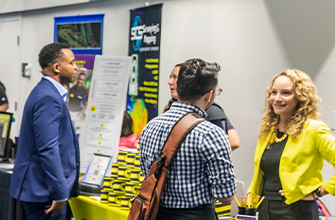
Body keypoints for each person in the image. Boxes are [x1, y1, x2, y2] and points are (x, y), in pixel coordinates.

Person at [138, 58, 235, 219]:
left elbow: (146, 174)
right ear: (209, 94)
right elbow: (225, 195)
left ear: (179, 87)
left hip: (155, 213)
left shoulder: (150, 126)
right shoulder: (211, 133)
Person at [249, 69, 335, 220]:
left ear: (302, 97)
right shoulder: (268, 129)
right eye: (273, 92)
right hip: (264, 208)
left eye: (286, 93)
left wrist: (318, 192)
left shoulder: (314, 129)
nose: (277, 98)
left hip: (297, 211)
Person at [9, 43, 79, 219]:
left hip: (42, 189)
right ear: (57, 67)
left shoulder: (46, 92)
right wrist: (59, 192)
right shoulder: (48, 97)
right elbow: (48, 148)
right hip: (44, 193)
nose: (76, 67)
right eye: (72, 63)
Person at [167, 63, 240, 150]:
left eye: (175, 77)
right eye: (170, 77)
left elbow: (233, 141)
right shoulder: (172, 108)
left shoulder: (211, 110)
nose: (170, 82)